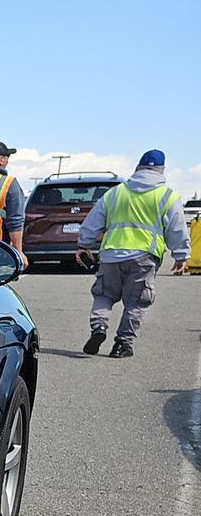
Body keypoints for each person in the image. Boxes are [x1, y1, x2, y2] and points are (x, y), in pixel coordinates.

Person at [76, 149, 189, 359]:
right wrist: (181, 255)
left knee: (104, 295)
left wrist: (84, 245)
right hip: (144, 257)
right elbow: (177, 229)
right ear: (162, 170)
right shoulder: (167, 196)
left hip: (110, 255)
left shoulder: (115, 193)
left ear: (137, 168)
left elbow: (92, 223)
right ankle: (122, 344)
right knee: (137, 301)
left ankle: (98, 327)